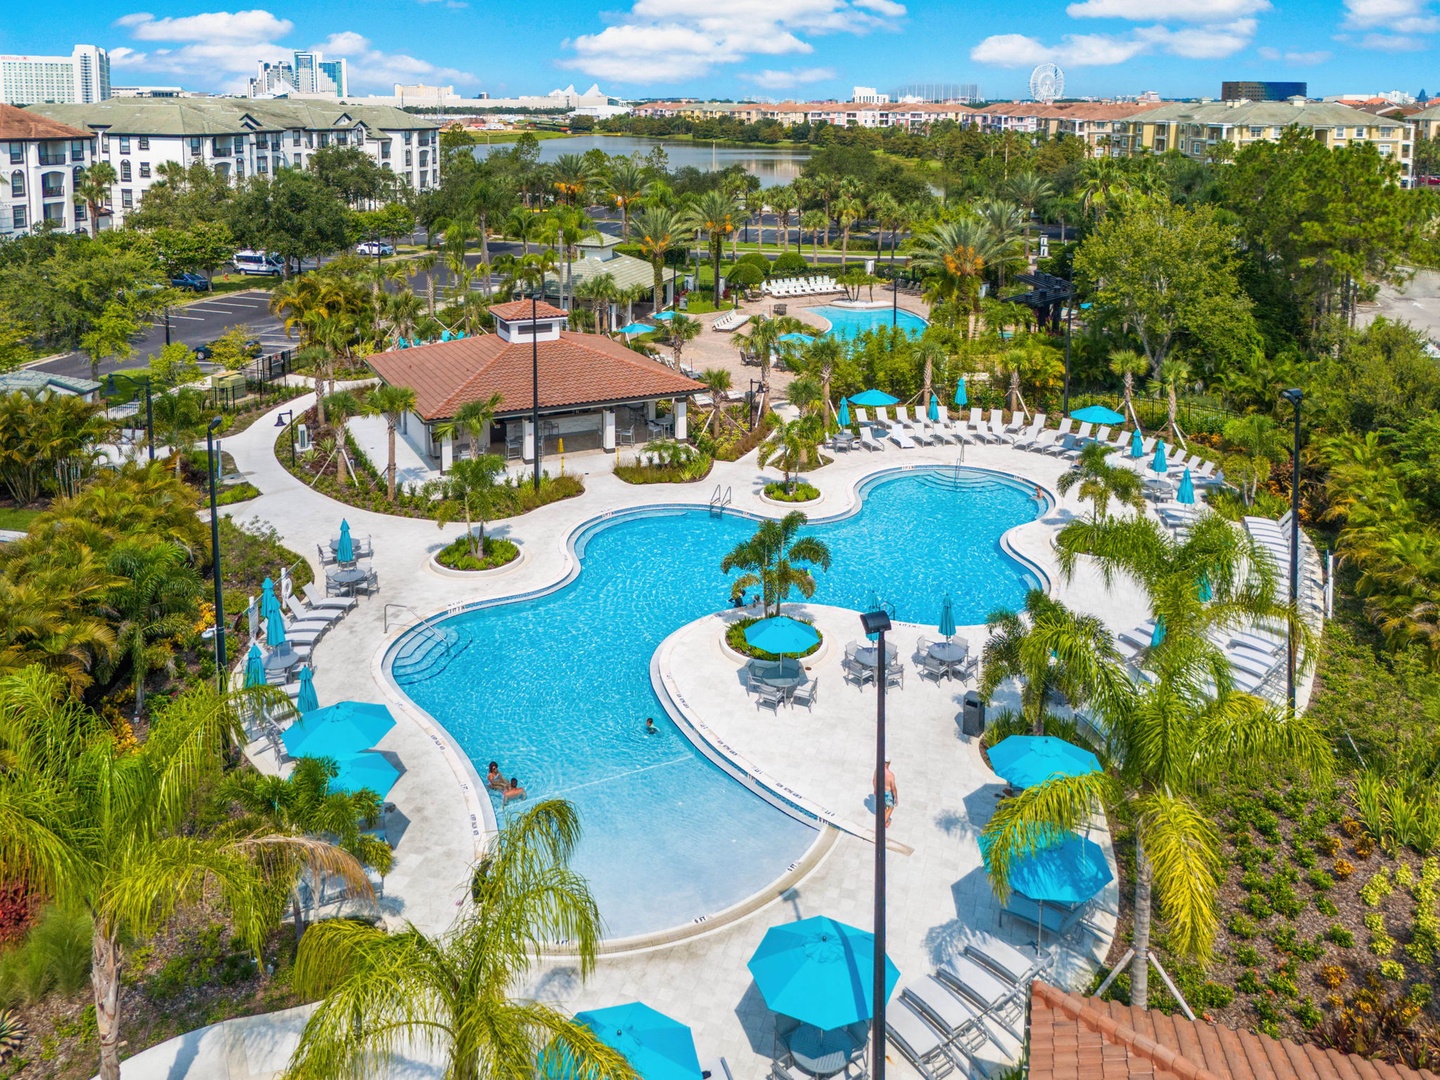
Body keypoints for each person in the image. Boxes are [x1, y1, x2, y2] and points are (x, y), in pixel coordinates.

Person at [874, 760, 898, 827]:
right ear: (889, 763)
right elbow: (893, 788)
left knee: (884, 807)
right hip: (887, 793)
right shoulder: (891, 775)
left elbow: (874, 780)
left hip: (880, 791)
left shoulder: (877, 770)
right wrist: (896, 797)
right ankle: (882, 823)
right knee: (890, 807)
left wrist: (875, 789)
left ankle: (886, 820)